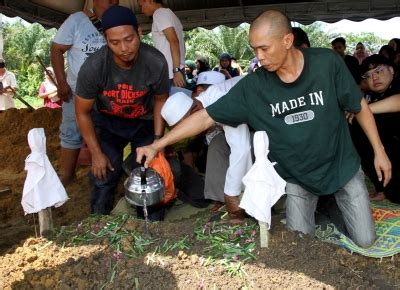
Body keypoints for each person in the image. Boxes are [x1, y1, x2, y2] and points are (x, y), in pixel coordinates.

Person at [137, 10, 392, 248]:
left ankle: (332, 205)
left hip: (341, 168)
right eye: (254, 49)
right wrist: (157, 144)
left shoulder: (326, 64)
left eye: (264, 48)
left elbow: (359, 105)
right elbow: (204, 118)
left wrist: (379, 151)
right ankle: (324, 208)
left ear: (287, 40)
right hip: (298, 178)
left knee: (365, 240)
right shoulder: (254, 87)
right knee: (299, 246)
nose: (258, 57)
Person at [74, 5, 170, 216]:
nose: (124, 48)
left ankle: (152, 227)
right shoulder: (93, 68)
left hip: (143, 121)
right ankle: (99, 223)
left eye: (129, 39)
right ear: (106, 40)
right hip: (108, 122)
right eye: (114, 42)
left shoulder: (156, 62)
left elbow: (161, 100)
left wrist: (157, 141)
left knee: (148, 176)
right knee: (104, 174)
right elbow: (82, 112)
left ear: (139, 33)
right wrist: (96, 153)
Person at [163, 71, 253, 224]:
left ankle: (246, 201)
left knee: (249, 147)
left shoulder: (219, 100)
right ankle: (221, 199)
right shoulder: (204, 103)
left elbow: (241, 149)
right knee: (217, 145)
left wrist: (232, 193)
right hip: (246, 124)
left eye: (188, 128)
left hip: (267, 119)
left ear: (195, 112)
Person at [51, 0, 118, 185]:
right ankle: (68, 175)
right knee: (71, 131)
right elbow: (56, 49)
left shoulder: (118, 19)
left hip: (109, 92)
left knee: (108, 131)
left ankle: (108, 173)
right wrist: (61, 83)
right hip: (76, 90)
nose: (114, 1)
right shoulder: (76, 20)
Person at [350, 54, 400, 203]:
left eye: (378, 71)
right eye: (368, 76)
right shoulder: (371, 96)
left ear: (391, 70)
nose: (374, 77)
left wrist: (364, 110)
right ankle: (384, 188)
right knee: (358, 127)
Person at [138, 0, 186, 89]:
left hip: (172, 74)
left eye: (141, 6)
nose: (142, 10)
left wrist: (176, 70)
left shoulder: (159, 13)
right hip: (176, 70)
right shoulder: (170, 13)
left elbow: (174, 41)